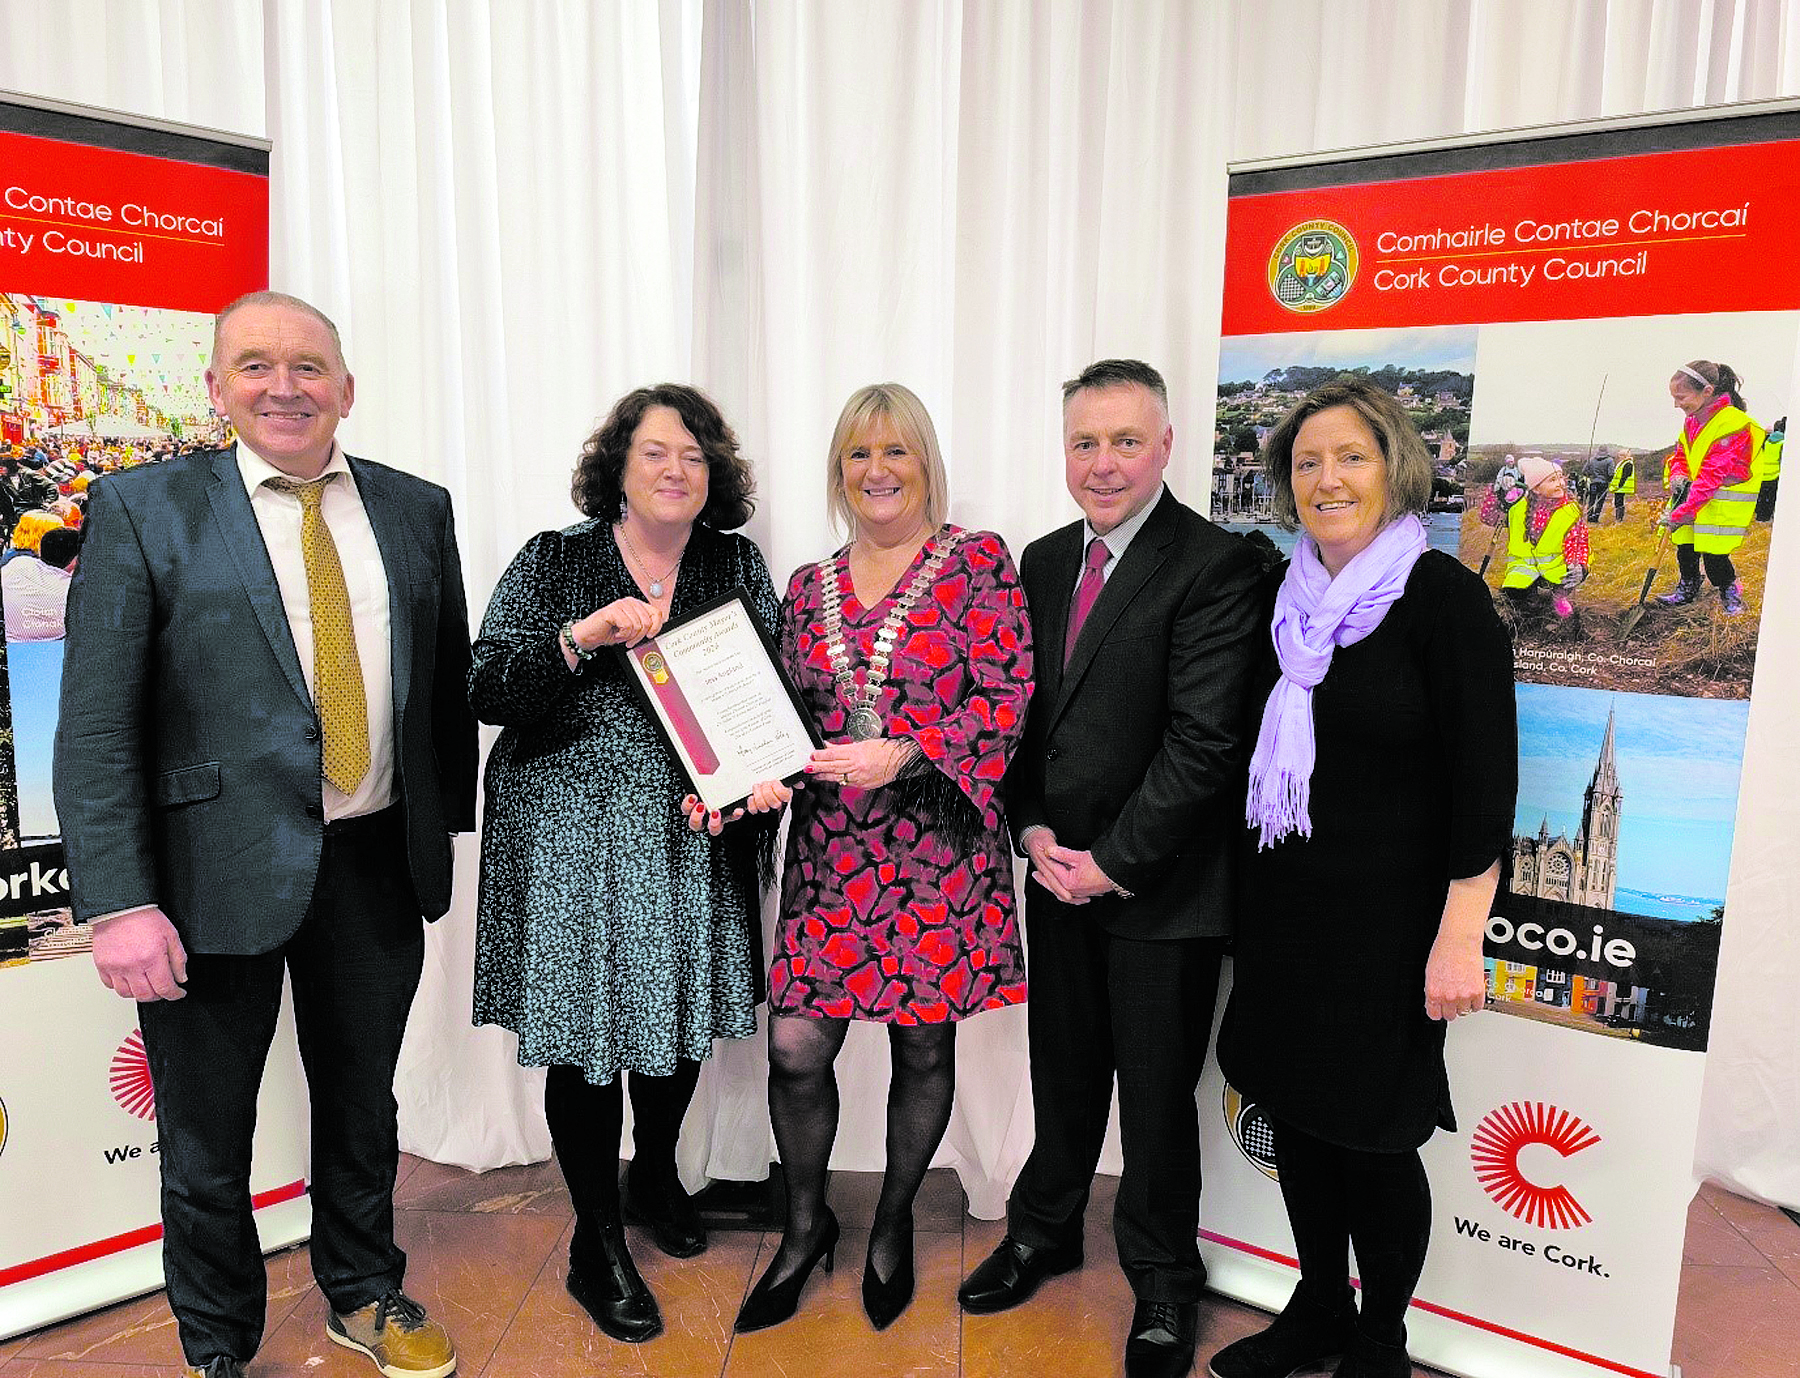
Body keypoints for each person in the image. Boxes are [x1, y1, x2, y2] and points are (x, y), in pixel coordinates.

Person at [54, 291, 478, 1378]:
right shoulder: (143, 507)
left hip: (374, 862)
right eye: (255, 365)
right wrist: (119, 899)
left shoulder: (416, 508)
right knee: (205, 1136)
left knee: (361, 1106)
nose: (283, 387)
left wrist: (444, 831)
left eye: (307, 366)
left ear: (347, 389)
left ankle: (364, 1291)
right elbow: (96, 723)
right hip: (204, 876)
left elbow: (440, 684)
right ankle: (218, 1345)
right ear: (216, 389)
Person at [958, 360, 1263, 1378]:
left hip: (1161, 891)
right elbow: (1018, 716)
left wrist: (1114, 862)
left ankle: (1165, 1279)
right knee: (1064, 1073)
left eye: (1126, 441)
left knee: (1157, 1100)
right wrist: (1031, 829)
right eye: (1085, 442)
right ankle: (1044, 1231)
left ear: (1166, 446)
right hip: (1057, 875)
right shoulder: (1044, 560)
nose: (1103, 463)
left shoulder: (1218, 565)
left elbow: (1205, 743)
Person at [1207, 378, 1516, 1378]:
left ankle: (1381, 1337)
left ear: (1395, 468)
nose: (1327, 478)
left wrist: (1459, 936)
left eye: (1351, 457)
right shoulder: (1280, 599)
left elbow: (1485, 787)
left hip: (1391, 932)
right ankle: (1318, 1308)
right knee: (1298, 1122)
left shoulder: (1443, 600)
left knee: (1376, 1141)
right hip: (1286, 916)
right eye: (1307, 462)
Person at [723, 382, 1033, 1335]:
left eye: (895, 450)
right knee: (795, 1046)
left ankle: (892, 1221)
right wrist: (744, 775)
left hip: (936, 851)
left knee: (922, 1044)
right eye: (859, 453)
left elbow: (1007, 697)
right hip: (830, 849)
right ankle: (804, 1227)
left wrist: (905, 753)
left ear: (924, 462)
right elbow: (778, 718)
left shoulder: (978, 562)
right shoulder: (804, 585)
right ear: (839, 470)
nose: (877, 470)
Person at [469, 384, 777, 1344]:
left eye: (693, 454)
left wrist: (754, 784)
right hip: (569, 842)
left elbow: (767, 696)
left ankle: (654, 1176)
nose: (676, 469)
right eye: (654, 452)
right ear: (618, 465)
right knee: (586, 1035)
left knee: (676, 1019)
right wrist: (579, 639)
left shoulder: (734, 562)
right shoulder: (555, 560)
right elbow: (486, 686)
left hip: (689, 834)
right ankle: (594, 1241)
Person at [1657, 359, 1761, 615]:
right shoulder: (1693, 420)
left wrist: (1683, 513)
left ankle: (1730, 591)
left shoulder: (1732, 424)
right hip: (1694, 494)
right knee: (1685, 547)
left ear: (1707, 391)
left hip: (1720, 502)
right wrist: (1678, 474)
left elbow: (1712, 474)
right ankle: (1688, 586)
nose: (1676, 405)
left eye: (1681, 397)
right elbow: (1682, 453)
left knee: (1714, 554)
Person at [1477, 453, 1588, 624]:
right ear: (1536, 488)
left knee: (1567, 582)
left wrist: (1578, 564)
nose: (1560, 483)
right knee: (1519, 603)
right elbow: (1489, 518)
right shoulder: (1517, 506)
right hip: (1523, 570)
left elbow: (1578, 542)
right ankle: (1528, 603)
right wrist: (1497, 491)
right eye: (1552, 480)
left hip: (1555, 568)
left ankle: (1558, 598)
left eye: (1561, 478)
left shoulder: (1571, 511)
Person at [3, 522, 78, 640]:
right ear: (75, 560)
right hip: (55, 647)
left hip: (10, 644)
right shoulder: (74, 592)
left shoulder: (18, 564)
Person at [1605, 449, 1636, 524]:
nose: (1619, 457)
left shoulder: (1628, 464)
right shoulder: (1623, 463)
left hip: (1622, 487)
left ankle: (1619, 520)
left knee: (1619, 503)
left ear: (1624, 456)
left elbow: (1624, 476)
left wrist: (1619, 485)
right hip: (1619, 487)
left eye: (1621, 455)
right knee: (1618, 503)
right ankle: (1618, 519)